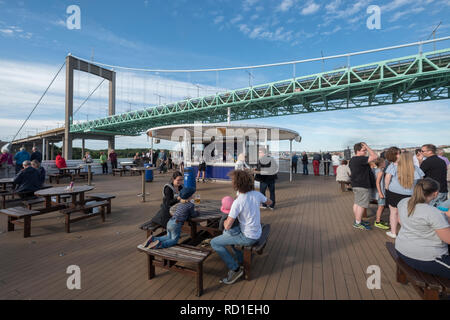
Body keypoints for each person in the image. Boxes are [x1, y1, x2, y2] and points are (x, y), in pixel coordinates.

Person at [211, 170, 272, 285]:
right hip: (256, 232)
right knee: (230, 235)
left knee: (216, 242)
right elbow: (269, 202)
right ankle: (240, 259)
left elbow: (228, 225)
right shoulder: (256, 194)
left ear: (236, 185)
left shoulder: (237, 202)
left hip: (248, 237)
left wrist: (224, 222)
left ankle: (235, 269)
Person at [395, 178, 450, 279]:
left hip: (401, 249)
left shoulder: (403, 202)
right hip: (426, 258)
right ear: (436, 193)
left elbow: (401, 221)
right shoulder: (433, 212)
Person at [385, 151, 424, 239]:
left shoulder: (392, 166)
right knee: (406, 214)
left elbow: (387, 178)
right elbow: (421, 181)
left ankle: (393, 232)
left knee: (393, 213)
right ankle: (408, 232)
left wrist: (387, 188)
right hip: (410, 194)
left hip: (394, 193)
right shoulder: (416, 168)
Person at [349, 142, 378, 230]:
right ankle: (358, 223)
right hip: (362, 185)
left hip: (356, 184)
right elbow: (375, 156)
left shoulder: (352, 159)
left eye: (365, 150)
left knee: (357, 203)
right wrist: (367, 146)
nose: (365, 152)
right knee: (362, 205)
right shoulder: (360, 159)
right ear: (357, 151)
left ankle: (358, 220)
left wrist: (365, 148)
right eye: (363, 150)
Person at [373, 158, 389, 230]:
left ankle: (378, 219)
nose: (385, 163)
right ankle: (378, 222)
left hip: (378, 192)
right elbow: (377, 183)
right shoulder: (380, 172)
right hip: (380, 192)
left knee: (381, 206)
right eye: (384, 162)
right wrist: (380, 193)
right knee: (381, 206)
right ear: (381, 163)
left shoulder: (375, 170)